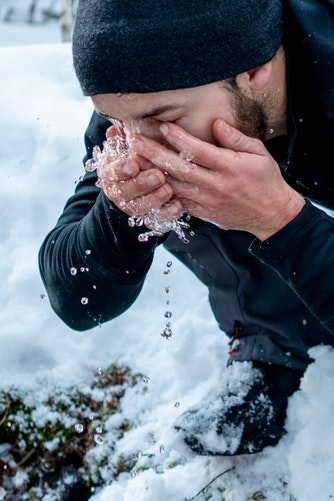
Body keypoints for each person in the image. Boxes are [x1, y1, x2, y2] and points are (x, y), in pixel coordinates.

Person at [39, 0, 334, 456]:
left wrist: (280, 219)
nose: (137, 147)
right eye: (117, 120)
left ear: (255, 68)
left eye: (166, 121)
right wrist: (122, 213)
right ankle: (274, 344)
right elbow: (74, 298)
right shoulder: (145, 100)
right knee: (190, 178)